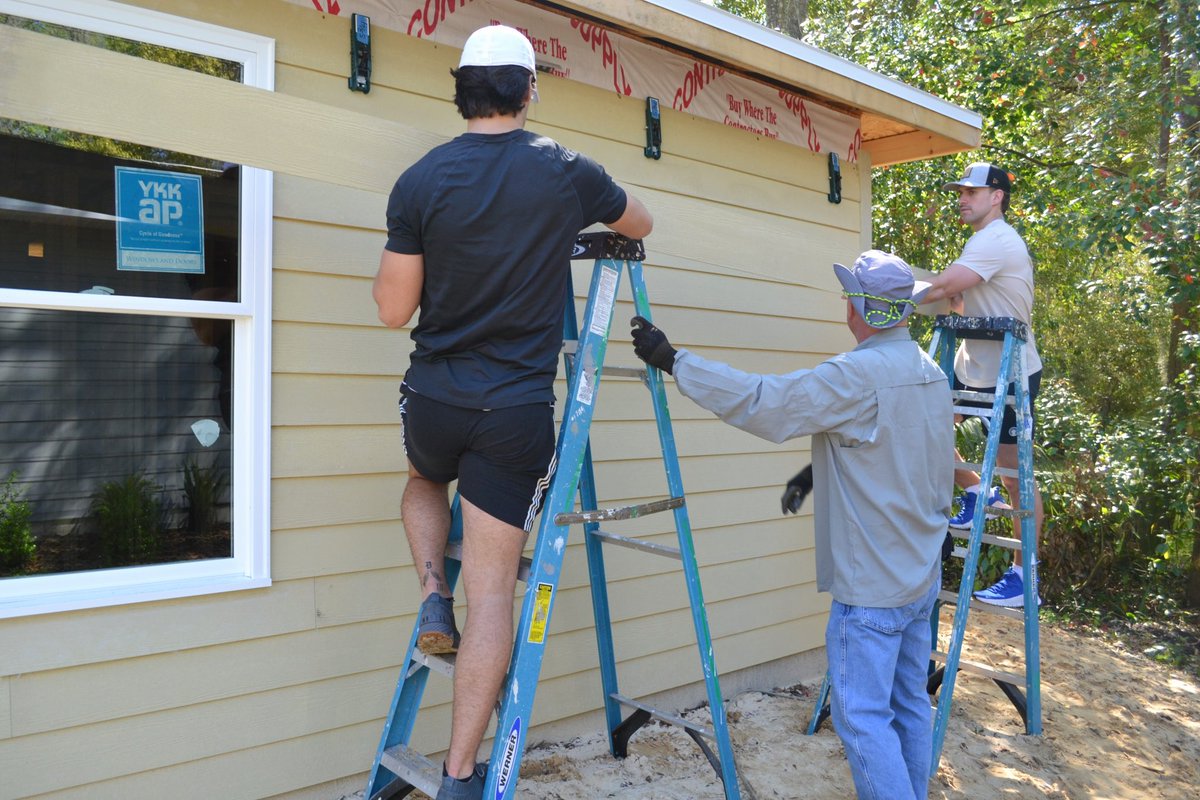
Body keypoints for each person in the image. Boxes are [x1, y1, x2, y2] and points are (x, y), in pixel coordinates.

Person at [372, 24, 653, 800]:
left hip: (433, 400)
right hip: (514, 412)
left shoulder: (420, 181)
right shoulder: (565, 171)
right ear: (528, 90)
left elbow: (394, 310)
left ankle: (432, 588)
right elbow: (641, 223)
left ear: (463, 88)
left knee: (422, 482)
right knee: (493, 593)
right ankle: (461, 776)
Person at [631, 250, 953, 800]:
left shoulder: (857, 374)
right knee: (908, 707)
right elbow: (891, 449)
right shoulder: (928, 371)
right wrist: (815, 472)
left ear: (861, 307)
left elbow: (766, 403)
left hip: (873, 590)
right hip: (919, 579)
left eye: (849, 294)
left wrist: (675, 361)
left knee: (863, 719)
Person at [919, 162, 1044, 608]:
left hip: (1011, 372)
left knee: (1015, 478)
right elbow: (955, 297)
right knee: (926, 426)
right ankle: (974, 489)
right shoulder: (980, 242)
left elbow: (942, 289)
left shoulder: (997, 240)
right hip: (972, 363)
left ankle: (1023, 577)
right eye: (961, 191)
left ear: (997, 197)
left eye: (972, 191)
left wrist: (887, 296)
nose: (963, 198)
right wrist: (947, 292)